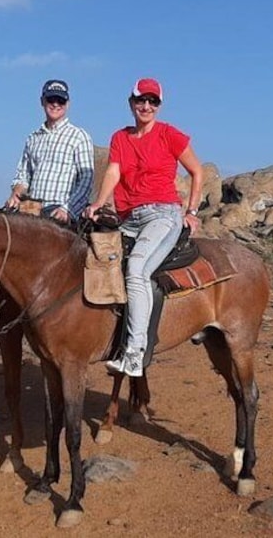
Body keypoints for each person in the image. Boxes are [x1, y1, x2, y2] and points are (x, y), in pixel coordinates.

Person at [84, 77, 204, 377]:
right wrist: (99, 202)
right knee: (95, 257)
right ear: (131, 103)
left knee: (137, 270)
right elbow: (114, 171)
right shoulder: (120, 138)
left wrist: (191, 210)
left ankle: (135, 352)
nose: (146, 106)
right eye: (141, 100)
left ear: (159, 106)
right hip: (128, 218)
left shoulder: (169, 135)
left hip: (161, 214)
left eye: (152, 101)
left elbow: (197, 171)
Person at [5, 79, 94, 224]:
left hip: (59, 209)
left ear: (68, 104)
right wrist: (16, 194)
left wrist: (67, 209)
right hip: (32, 208)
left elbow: (86, 179)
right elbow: (23, 176)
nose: (55, 104)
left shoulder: (79, 136)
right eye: (51, 99)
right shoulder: (33, 138)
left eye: (61, 100)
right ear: (42, 101)